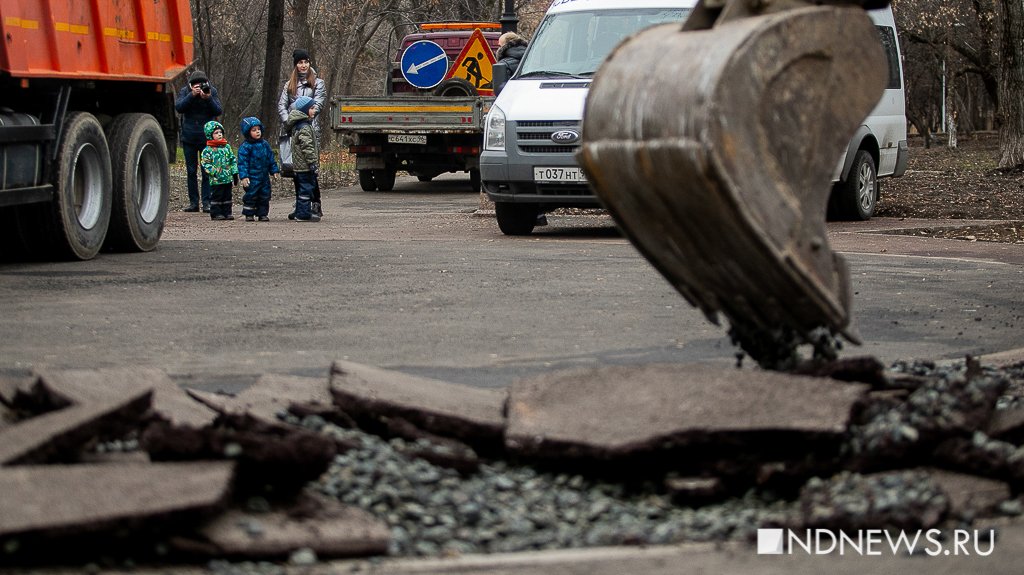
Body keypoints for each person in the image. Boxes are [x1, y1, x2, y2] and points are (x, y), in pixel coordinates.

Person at [175, 70, 223, 212]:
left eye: (201, 84)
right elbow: (179, 107)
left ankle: (207, 202)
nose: (199, 87)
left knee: (206, 171)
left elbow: (218, 110)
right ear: (190, 85)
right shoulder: (185, 92)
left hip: (206, 138)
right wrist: (191, 95)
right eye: (195, 85)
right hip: (189, 137)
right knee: (191, 171)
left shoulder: (211, 91)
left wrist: (208, 98)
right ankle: (193, 202)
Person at [237, 117, 280, 222]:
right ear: (248, 132)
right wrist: (244, 176)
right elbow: (242, 163)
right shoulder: (245, 147)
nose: (257, 132)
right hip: (252, 176)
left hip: (264, 176)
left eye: (258, 129)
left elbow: (270, 158)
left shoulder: (265, 144)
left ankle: (262, 214)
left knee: (265, 195)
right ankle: (249, 213)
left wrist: (274, 170)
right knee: (251, 195)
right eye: (254, 130)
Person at [285, 96, 321, 222]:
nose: (314, 110)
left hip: (299, 166)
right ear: (305, 110)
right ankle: (303, 214)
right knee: (306, 189)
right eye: (311, 108)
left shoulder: (298, 125)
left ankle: (299, 211)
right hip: (305, 166)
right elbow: (307, 146)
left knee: (301, 189)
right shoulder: (304, 127)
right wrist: (312, 162)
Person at [277, 49, 327, 137]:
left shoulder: (318, 83)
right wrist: (288, 121)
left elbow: (318, 104)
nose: (304, 65)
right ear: (296, 65)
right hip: (292, 129)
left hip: (311, 128)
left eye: (306, 62)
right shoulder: (289, 84)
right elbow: (282, 106)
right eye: (300, 62)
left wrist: (303, 117)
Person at [200, 121, 238, 221]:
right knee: (217, 196)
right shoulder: (208, 150)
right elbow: (206, 163)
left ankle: (227, 212)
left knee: (227, 196)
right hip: (216, 179)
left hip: (227, 177)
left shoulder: (227, 147)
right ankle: (216, 213)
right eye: (216, 133)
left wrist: (234, 172)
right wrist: (214, 172)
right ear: (210, 135)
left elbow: (232, 160)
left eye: (220, 132)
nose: (219, 134)